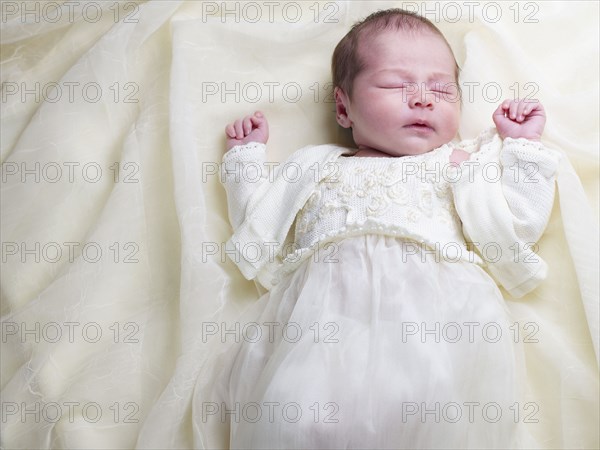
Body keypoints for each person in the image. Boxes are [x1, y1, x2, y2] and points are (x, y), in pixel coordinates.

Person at [215, 8, 561, 449]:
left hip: (436, 324)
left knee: (431, 411)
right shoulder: (313, 167)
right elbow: (257, 227)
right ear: (344, 107)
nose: (423, 99)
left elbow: (519, 224)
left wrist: (521, 146)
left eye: (441, 88)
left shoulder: (459, 165)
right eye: (398, 85)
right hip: (324, 327)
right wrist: (245, 161)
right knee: (292, 415)